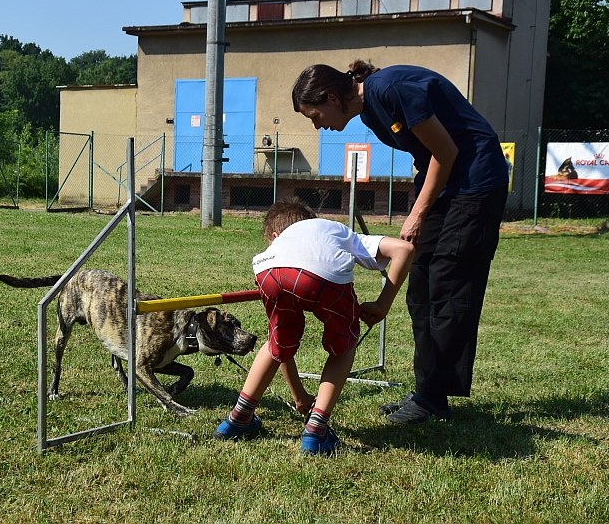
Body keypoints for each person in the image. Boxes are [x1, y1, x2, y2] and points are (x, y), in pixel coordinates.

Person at [291, 61, 509, 424]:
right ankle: (428, 393)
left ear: (331, 98)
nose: (317, 126)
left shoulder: (389, 89)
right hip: (443, 187)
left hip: (474, 184)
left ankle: (432, 399)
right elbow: (427, 154)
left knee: (448, 287)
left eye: (315, 116)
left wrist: (417, 213)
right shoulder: (370, 113)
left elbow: (446, 152)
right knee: (421, 288)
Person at [213, 198, 414, 454]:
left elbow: (282, 353)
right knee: (343, 345)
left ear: (275, 235)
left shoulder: (283, 242)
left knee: (277, 341)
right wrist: (382, 304)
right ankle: (316, 431)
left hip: (268, 269)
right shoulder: (336, 230)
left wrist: (299, 396)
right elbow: (404, 249)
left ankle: (238, 418)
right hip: (324, 275)